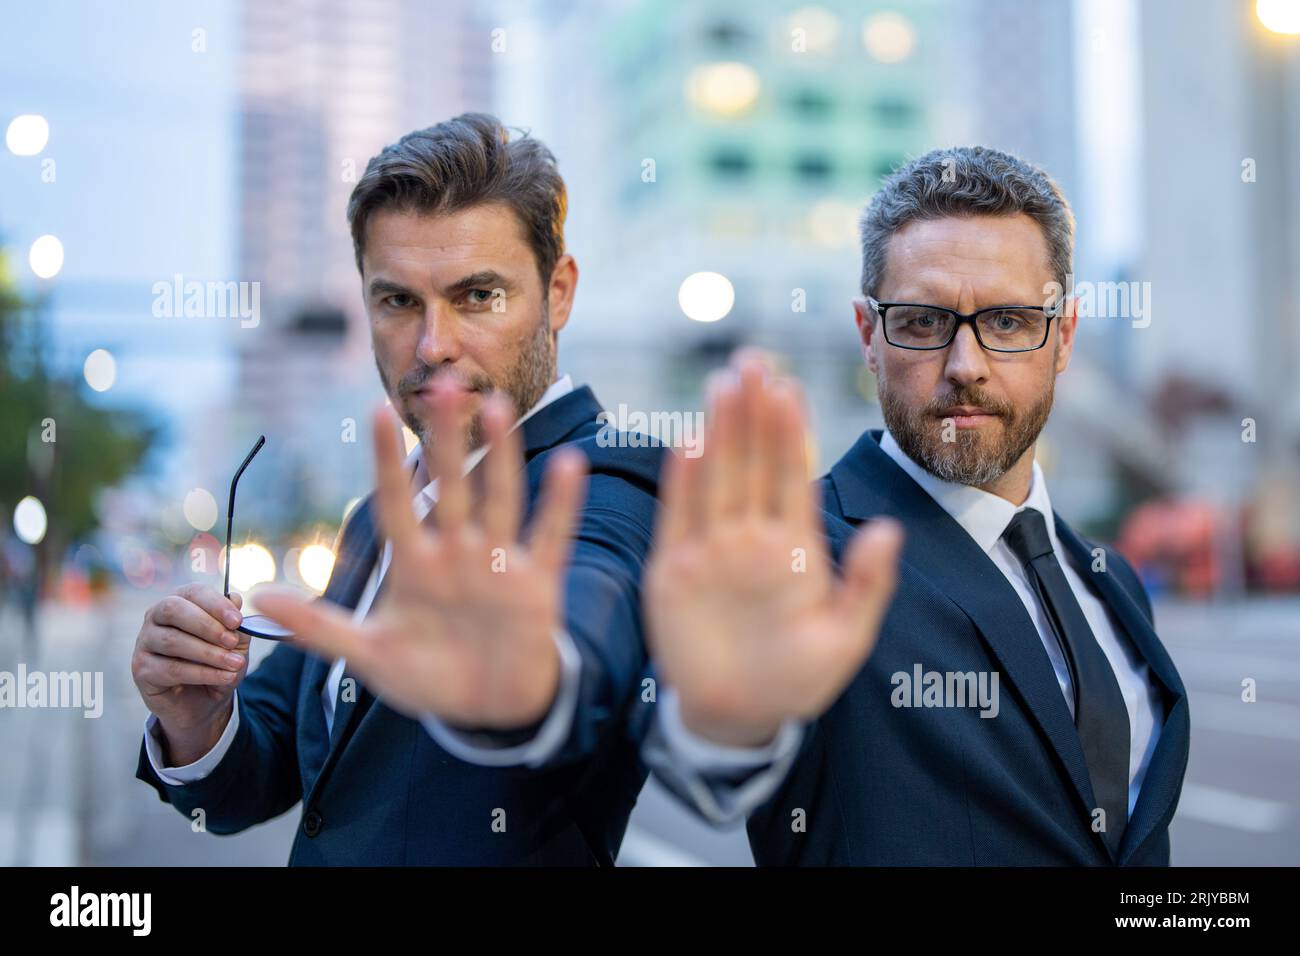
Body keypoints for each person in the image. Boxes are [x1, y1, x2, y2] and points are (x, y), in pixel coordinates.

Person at [131, 113, 662, 865]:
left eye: (478, 296)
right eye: (398, 301)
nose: (433, 344)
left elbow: (586, 623)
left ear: (559, 292)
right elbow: (277, 753)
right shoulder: (385, 510)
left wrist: (526, 676)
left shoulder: (612, 478)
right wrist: (197, 718)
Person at [644, 147, 1189, 866]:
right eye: (925, 322)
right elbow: (713, 762)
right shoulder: (805, 557)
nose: (966, 365)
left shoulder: (1109, 580)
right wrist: (722, 727)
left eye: (1007, 321)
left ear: (1063, 337)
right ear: (868, 335)